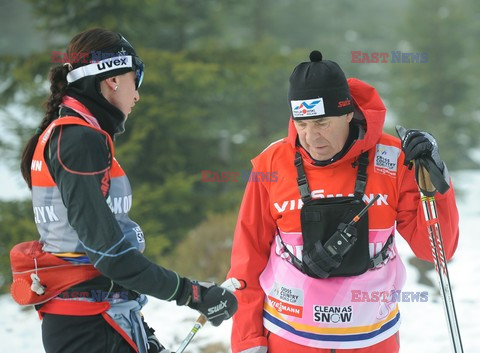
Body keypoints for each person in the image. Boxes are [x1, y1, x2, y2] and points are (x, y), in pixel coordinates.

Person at [17, 28, 237, 353]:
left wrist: (142, 332)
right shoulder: (79, 140)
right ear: (113, 79)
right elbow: (109, 254)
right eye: (137, 80)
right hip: (89, 326)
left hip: (102, 315)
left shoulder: (72, 135)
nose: (137, 96)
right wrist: (191, 293)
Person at [227, 50, 459, 353]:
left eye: (322, 123)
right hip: (289, 336)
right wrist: (247, 339)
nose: (311, 137)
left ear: (348, 112)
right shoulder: (272, 163)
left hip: (372, 338)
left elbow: (436, 250)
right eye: (302, 123)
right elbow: (247, 257)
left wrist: (435, 178)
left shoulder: (392, 158)